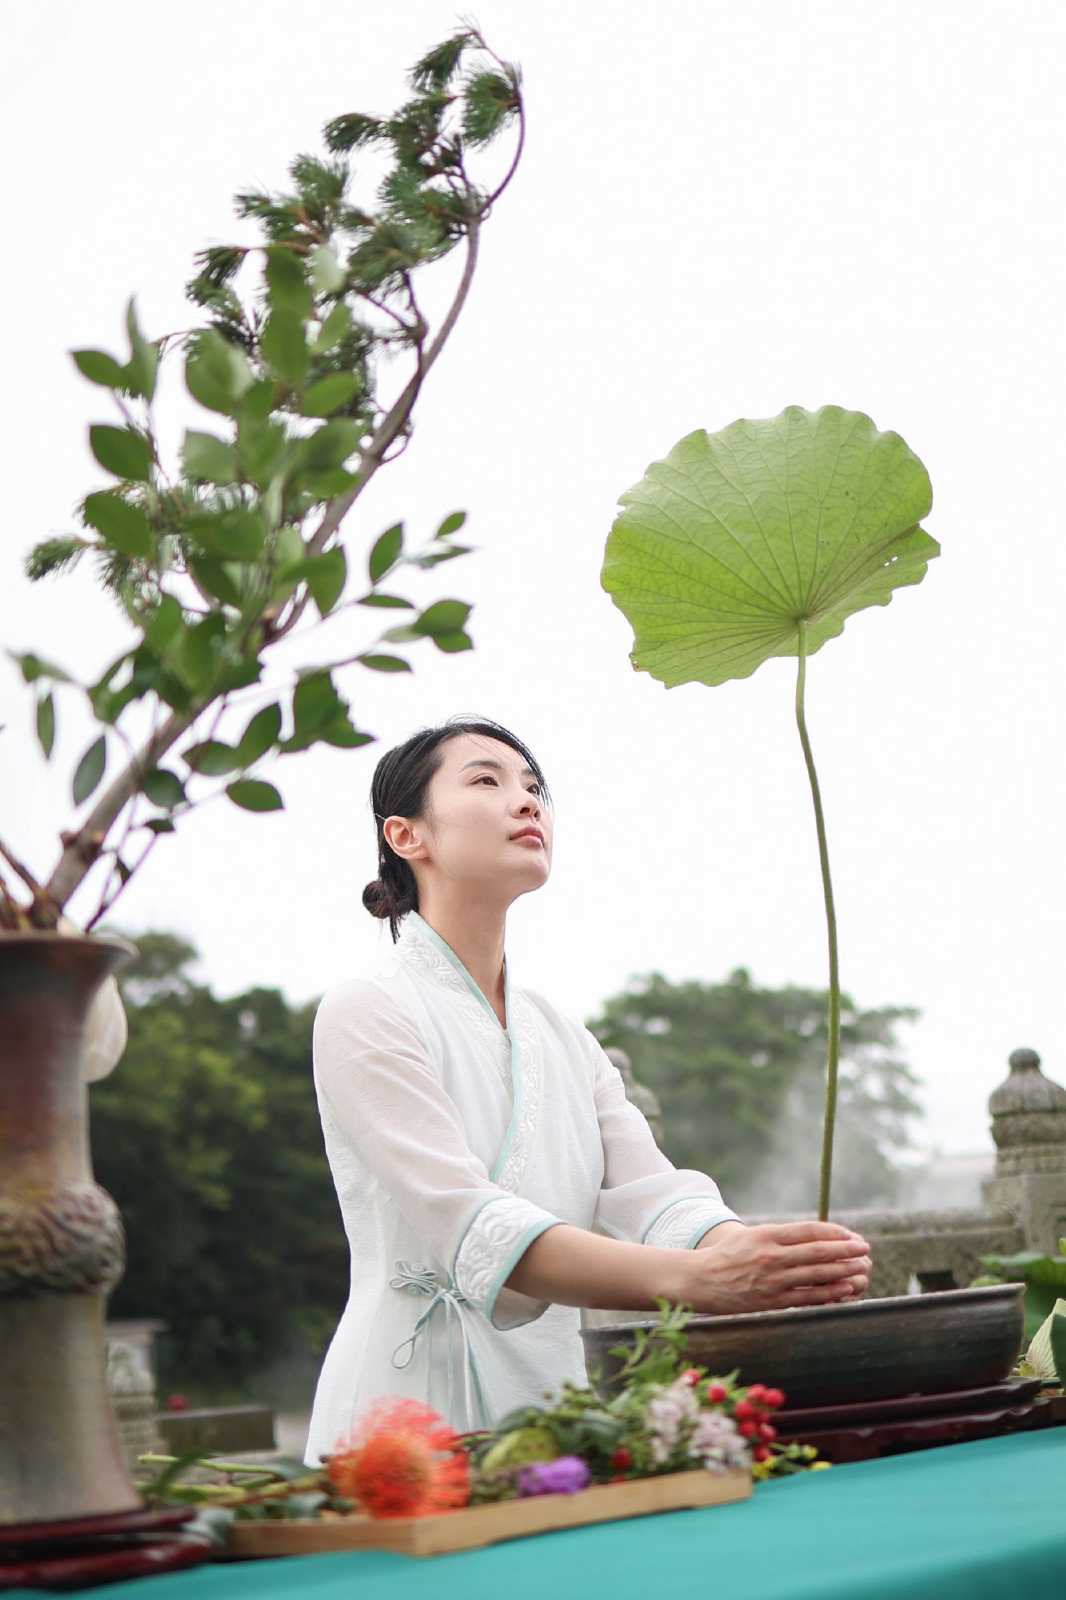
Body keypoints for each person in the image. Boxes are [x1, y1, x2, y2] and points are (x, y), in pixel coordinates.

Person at [303, 716, 871, 1463]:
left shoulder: (561, 1034)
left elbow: (654, 1193)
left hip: (554, 1400)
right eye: (486, 780)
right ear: (407, 835)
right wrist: (704, 1280)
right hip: (405, 1405)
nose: (526, 801)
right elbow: (471, 1221)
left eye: (534, 787)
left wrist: (754, 1253)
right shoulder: (366, 1008)